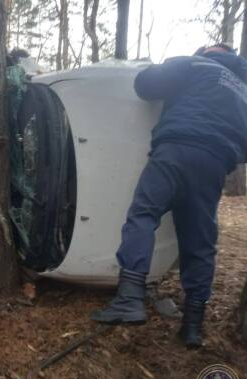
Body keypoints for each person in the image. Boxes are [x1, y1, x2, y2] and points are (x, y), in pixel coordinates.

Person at [91, 44, 247, 348]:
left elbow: (145, 85)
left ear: (208, 50)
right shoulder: (244, 91)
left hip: (175, 149)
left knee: (144, 214)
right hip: (214, 164)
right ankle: (192, 326)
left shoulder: (195, 64)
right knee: (200, 242)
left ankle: (130, 298)